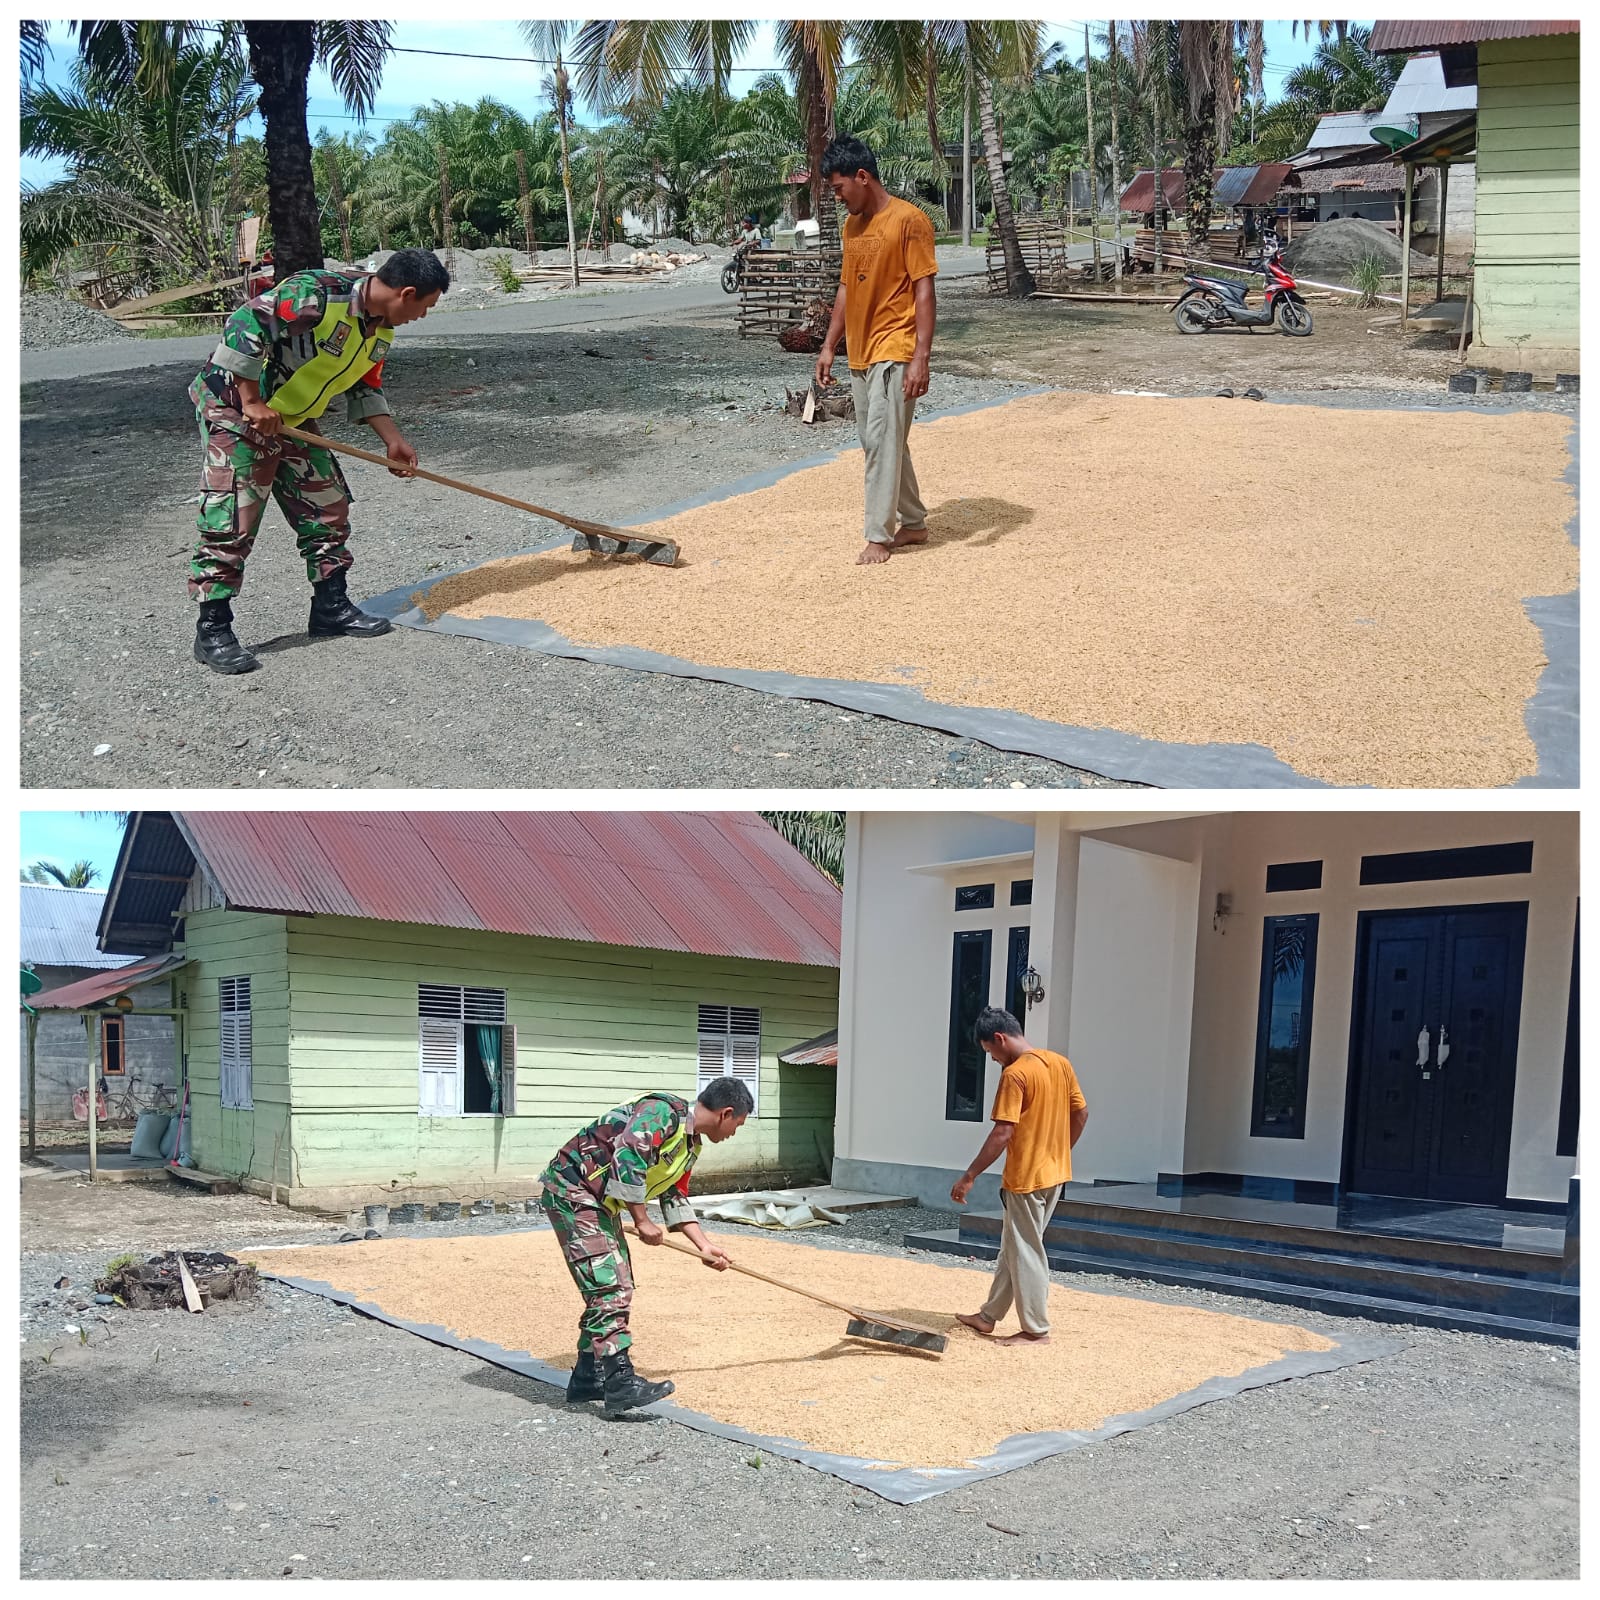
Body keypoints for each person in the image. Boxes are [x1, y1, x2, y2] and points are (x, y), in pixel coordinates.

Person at [187, 247, 449, 675]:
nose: (422, 316)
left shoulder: (379, 330)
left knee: (327, 505)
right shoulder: (319, 295)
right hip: (235, 411)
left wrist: (393, 441)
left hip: (291, 416)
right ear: (406, 293)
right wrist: (251, 402)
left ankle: (330, 607)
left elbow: (364, 386)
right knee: (232, 517)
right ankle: (213, 629)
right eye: (425, 306)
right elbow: (243, 323)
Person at [539, 1077, 752, 1415]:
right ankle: (620, 1382)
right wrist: (641, 1220)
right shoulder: (661, 1114)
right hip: (573, 1193)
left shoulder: (690, 1146)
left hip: (599, 1204)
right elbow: (628, 1160)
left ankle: (588, 1376)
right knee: (609, 1286)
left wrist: (704, 1247)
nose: (733, 1134)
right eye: (738, 1125)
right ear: (726, 1113)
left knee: (614, 1283)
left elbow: (673, 1194)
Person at [813, 134, 938, 566]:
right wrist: (829, 345)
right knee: (880, 441)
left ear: (862, 177)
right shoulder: (853, 226)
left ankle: (877, 534)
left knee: (882, 441)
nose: (836, 197)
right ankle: (915, 522)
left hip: (896, 346)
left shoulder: (910, 221)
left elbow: (924, 289)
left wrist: (921, 355)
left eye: (838, 188)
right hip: (861, 351)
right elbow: (847, 286)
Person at [950, 1008, 1088, 1346]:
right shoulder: (1059, 1064)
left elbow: (1003, 1132)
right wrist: (1060, 1151)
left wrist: (969, 1176)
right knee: (1014, 1247)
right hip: (1055, 1175)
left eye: (990, 1052)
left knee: (1026, 1251)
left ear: (999, 1038)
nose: (993, 1059)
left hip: (1026, 1178)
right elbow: (1081, 1113)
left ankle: (1035, 1329)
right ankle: (988, 1316)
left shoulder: (1015, 1075)